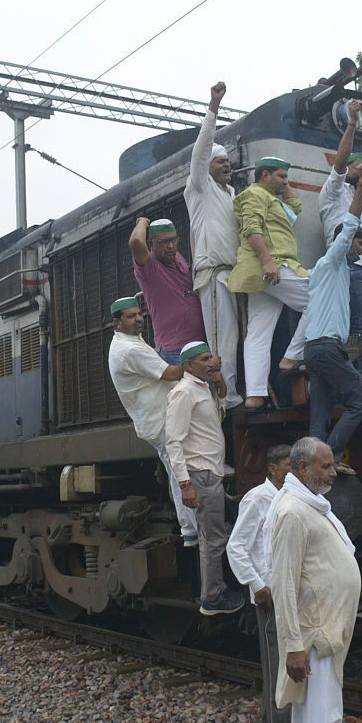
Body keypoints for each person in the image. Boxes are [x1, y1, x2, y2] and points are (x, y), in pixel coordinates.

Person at [271, 437, 361, 723]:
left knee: (314, 722)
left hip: (324, 633)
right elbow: (282, 584)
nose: (334, 473)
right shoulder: (294, 512)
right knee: (323, 721)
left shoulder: (310, 504)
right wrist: (294, 646)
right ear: (304, 467)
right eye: (326, 466)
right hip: (314, 638)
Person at [107, 297, 198, 544]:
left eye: (139, 314)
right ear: (117, 322)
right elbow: (168, 372)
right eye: (131, 316)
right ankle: (193, 530)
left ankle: (191, 528)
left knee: (177, 470)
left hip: (158, 420)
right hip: (161, 421)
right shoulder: (130, 349)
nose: (139, 318)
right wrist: (201, 366)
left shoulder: (128, 342)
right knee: (182, 471)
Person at [164, 341, 242, 616]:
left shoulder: (201, 389)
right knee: (212, 538)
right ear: (189, 365)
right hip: (201, 474)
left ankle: (215, 590)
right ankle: (212, 597)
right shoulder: (183, 392)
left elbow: (211, 423)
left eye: (212, 357)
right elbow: (173, 441)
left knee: (214, 535)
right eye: (205, 359)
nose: (212, 363)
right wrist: (185, 484)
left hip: (210, 471)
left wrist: (220, 387)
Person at [227, 445, 292, 723]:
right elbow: (236, 546)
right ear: (272, 469)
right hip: (269, 595)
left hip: (287, 593)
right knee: (278, 668)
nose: (293, 471)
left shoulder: (291, 497)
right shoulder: (257, 498)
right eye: (288, 466)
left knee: (283, 667)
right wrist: (257, 585)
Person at [229, 157, 309, 411]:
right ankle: (292, 356)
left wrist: (282, 183)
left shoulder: (273, 199)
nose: (286, 182)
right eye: (281, 176)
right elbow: (252, 229)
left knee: (258, 334)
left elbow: (296, 207)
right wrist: (267, 262)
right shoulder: (253, 195)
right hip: (274, 266)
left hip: (266, 274)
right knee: (320, 299)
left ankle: (255, 396)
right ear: (264, 175)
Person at [317, 99, 362, 406]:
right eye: (358, 164)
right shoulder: (332, 193)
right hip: (349, 269)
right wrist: (352, 123)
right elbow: (341, 161)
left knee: (361, 334)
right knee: (356, 335)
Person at [184, 81, 243, 407]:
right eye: (220, 161)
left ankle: (229, 392)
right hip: (213, 275)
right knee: (222, 339)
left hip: (233, 276)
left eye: (227, 162)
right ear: (206, 167)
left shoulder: (230, 194)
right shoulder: (198, 188)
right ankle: (224, 397)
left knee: (233, 339)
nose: (227, 165)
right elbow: (202, 147)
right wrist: (213, 106)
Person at [304, 179, 362, 464]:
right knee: (358, 404)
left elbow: (350, 328)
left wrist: (350, 355)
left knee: (319, 417)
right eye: (359, 243)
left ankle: (309, 466)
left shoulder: (331, 272)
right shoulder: (332, 261)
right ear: (342, 241)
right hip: (328, 349)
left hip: (316, 350)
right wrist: (359, 191)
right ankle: (329, 459)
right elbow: (350, 223)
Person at [128, 217, 206, 365]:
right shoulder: (149, 268)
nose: (170, 246)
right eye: (164, 242)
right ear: (151, 243)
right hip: (176, 351)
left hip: (200, 345)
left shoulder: (176, 256)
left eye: (173, 240)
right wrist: (141, 222)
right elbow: (136, 243)